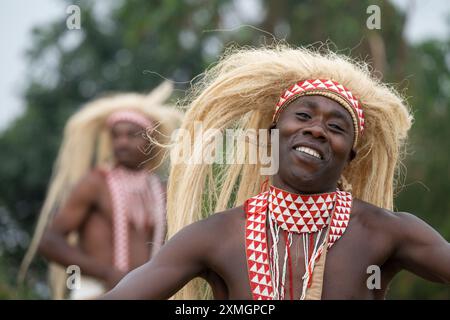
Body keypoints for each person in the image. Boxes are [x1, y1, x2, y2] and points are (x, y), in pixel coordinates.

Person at [101, 46, 450, 300]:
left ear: (350, 157)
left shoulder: (384, 231)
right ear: (269, 137)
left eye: (336, 126)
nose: (317, 130)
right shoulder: (217, 235)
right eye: (303, 116)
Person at [18, 82, 183, 299]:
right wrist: (107, 273)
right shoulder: (96, 183)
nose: (122, 142)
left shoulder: (160, 190)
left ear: (151, 140)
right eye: (116, 135)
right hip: (95, 291)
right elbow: (50, 242)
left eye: (132, 135)